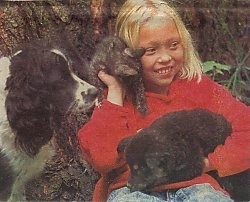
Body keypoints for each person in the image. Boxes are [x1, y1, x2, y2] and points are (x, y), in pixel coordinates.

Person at [78, 0, 250, 201]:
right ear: (129, 55)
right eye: (151, 50)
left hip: (195, 186)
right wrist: (115, 90)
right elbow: (102, 158)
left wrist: (209, 163)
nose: (165, 57)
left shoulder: (198, 87)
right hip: (132, 189)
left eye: (173, 45)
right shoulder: (116, 101)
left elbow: (246, 129)